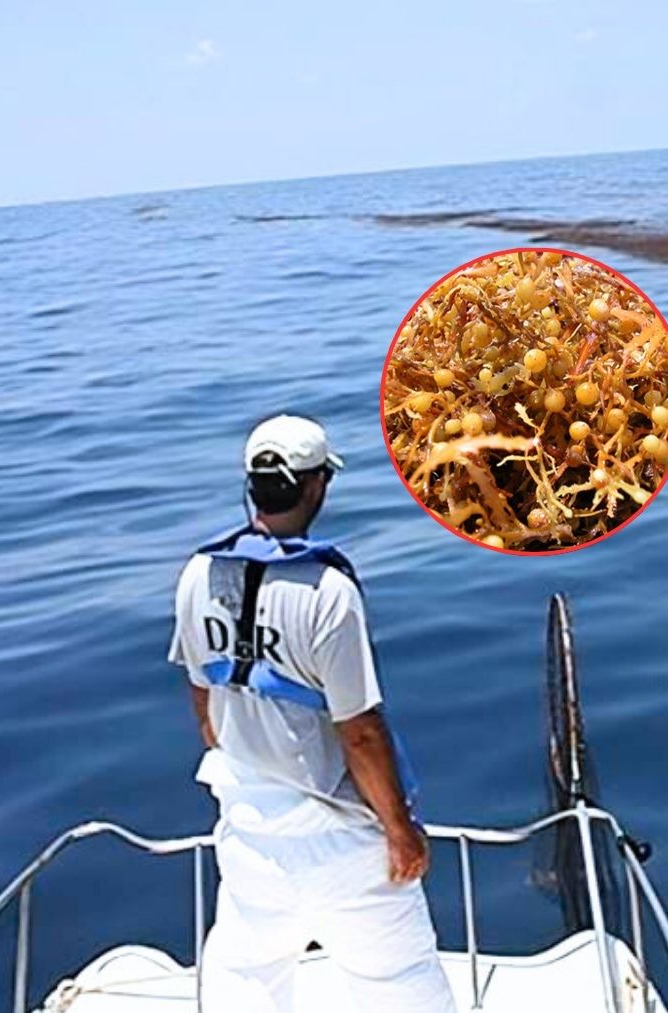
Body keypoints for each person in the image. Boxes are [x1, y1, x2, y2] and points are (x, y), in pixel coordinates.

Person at [169, 414, 456, 1013]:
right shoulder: (328, 592)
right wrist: (401, 834)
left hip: (248, 831)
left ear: (252, 485)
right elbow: (360, 734)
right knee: (398, 985)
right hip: (339, 842)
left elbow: (206, 710)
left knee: (246, 982)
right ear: (317, 486)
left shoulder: (197, 575)